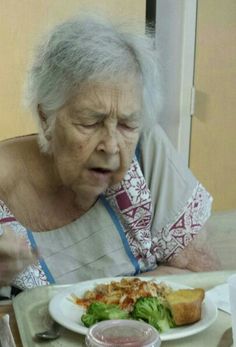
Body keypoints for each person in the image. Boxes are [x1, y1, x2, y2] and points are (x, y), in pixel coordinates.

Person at [0, 16, 220, 296]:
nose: (112, 146)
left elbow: (203, 279)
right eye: (90, 123)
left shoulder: (146, 150)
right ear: (46, 118)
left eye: (127, 124)